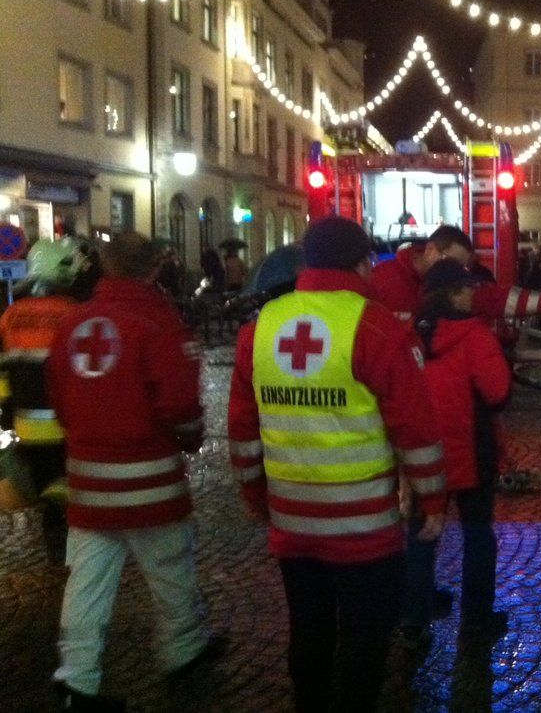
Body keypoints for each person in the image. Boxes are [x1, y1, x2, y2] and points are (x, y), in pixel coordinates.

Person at [227, 217, 447, 713]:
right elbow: (416, 430)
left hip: (292, 523)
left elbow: (242, 430)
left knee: (309, 628)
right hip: (363, 529)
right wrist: (432, 500)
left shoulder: (261, 327)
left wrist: (255, 498)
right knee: (366, 637)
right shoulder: (376, 327)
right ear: (364, 263)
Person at [46, 233, 216, 713]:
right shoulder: (160, 323)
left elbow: (58, 399)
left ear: (103, 266)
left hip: (88, 485)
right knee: (171, 571)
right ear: (153, 269)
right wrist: (191, 436)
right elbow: (180, 406)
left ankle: (77, 680)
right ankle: (183, 651)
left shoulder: (71, 323)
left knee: (86, 584)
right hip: (151, 484)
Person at [399, 260, 512, 650]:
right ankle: (477, 620)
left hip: (421, 454)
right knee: (478, 535)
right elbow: (498, 394)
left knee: (421, 534)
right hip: (472, 453)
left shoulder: (408, 337)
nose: (472, 294)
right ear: (451, 293)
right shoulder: (475, 335)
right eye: (465, 288)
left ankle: (413, 620)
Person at [0, 240, 81, 563]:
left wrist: (6, 414)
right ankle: (66, 536)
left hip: (27, 424)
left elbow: (3, 371)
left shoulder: (11, 316)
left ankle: (55, 535)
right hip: (66, 422)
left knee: (45, 479)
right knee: (65, 482)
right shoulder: (73, 313)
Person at [371, 224, 541, 324]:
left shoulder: (455, 288)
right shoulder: (384, 280)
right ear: (430, 249)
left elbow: (496, 298)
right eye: (451, 261)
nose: (456, 272)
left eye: (462, 267)